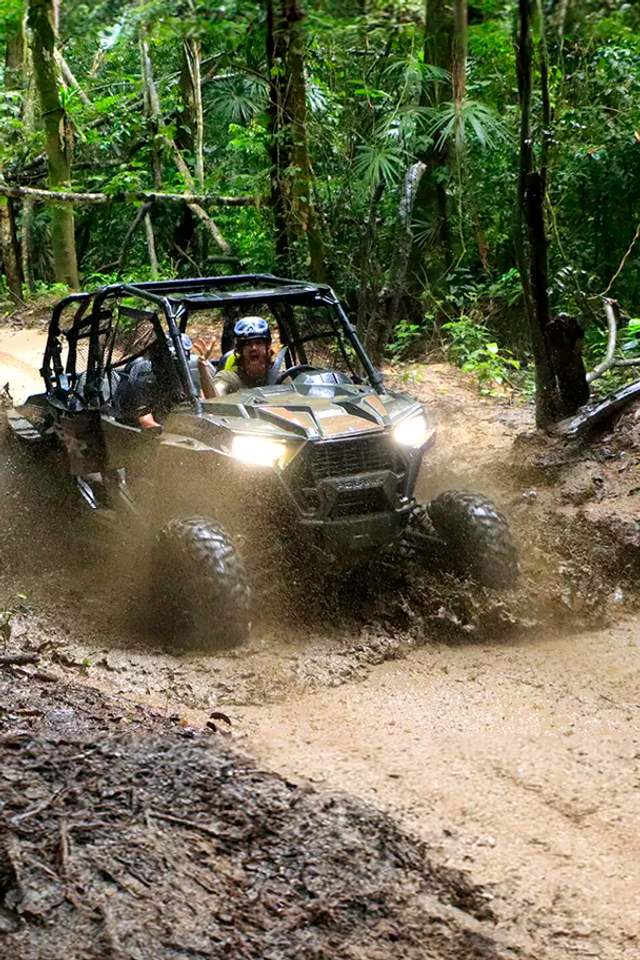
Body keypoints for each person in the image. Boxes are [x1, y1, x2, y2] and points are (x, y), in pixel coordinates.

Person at [117, 332, 192, 431]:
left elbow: (200, 404)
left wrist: (203, 367)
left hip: (168, 424)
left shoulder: (186, 374)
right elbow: (144, 419)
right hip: (138, 431)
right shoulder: (143, 375)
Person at [211, 316, 274, 397]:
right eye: (247, 344)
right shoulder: (229, 379)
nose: (253, 348)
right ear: (240, 350)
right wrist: (203, 368)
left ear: (267, 347)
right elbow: (216, 397)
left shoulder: (278, 377)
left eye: (259, 343)